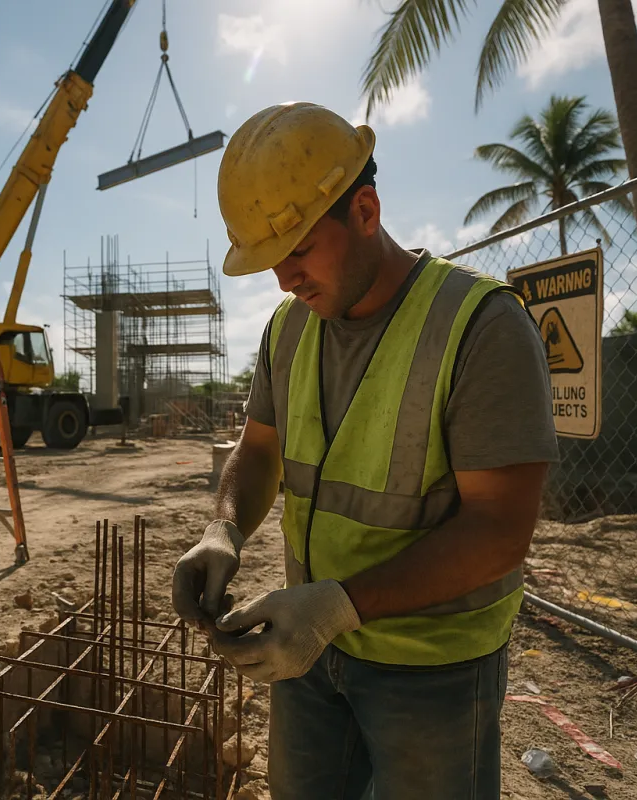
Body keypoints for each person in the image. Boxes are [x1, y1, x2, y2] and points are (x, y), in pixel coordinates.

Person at [171, 102, 559, 798]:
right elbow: (257, 454)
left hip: (434, 670)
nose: (285, 279)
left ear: (366, 211)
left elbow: (500, 531)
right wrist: (221, 528)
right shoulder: (289, 331)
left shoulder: (481, 327)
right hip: (311, 657)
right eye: (268, 261)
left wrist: (335, 606)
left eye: (297, 249)